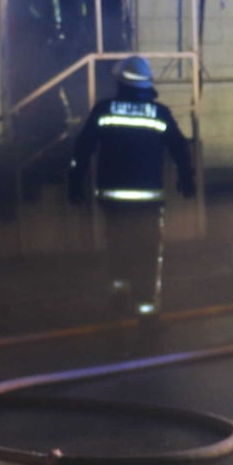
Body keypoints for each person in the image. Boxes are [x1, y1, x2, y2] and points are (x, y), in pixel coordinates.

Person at [68, 55, 196, 315]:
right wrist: (187, 177)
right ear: (147, 84)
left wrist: (75, 181)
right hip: (148, 201)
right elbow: (180, 147)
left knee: (117, 244)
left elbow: (82, 149)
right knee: (148, 253)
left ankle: (118, 297)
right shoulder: (159, 113)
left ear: (119, 83)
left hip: (112, 200)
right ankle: (147, 312)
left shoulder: (104, 110)